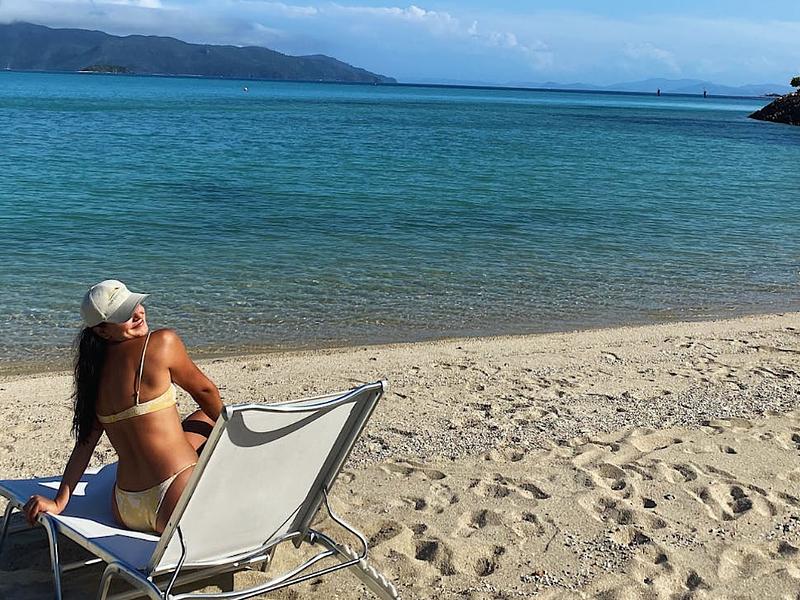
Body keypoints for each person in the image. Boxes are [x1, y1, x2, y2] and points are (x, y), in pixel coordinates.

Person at [22, 280, 223, 533]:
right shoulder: (161, 343)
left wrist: (59, 501)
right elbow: (205, 391)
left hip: (125, 506)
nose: (138, 313)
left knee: (204, 418)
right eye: (124, 314)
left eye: (135, 304)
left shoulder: (93, 374)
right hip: (175, 497)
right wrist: (240, 434)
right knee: (219, 419)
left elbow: (85, 444)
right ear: (103, 331)